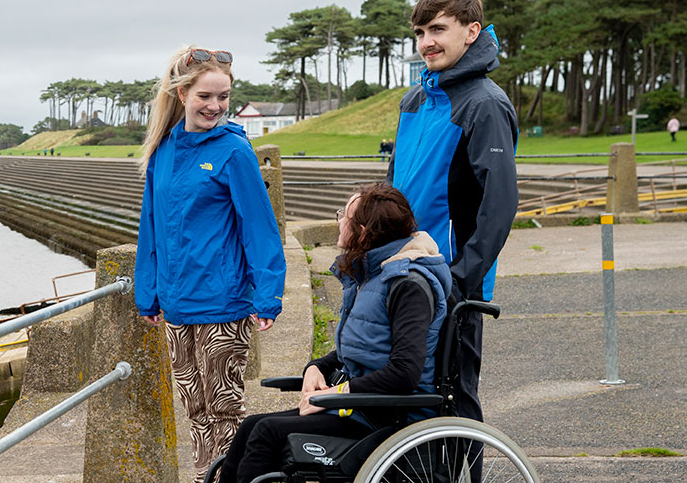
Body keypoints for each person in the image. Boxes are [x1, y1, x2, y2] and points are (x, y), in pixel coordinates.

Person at [217, 184, 451, 483]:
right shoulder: (374, 273)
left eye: (345, 217)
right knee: (252, 425)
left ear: (363, 233)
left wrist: (334, 394)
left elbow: (405, 373)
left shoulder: (407, 285)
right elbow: (361, 347)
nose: (339, 221)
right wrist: (317, 366)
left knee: (266, 433)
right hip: (359, 407)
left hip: (387, 416)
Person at [135, 45, 287, 483]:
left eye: (223, 97)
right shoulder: (162, 151)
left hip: (223, 304)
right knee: (195, 411)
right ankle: (211, 477)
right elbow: (152, 228)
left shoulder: (233, 151)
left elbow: (259, 227)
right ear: (181, 94)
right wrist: (148, 293)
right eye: (205, 96)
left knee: (226, 410)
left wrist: (267, 295)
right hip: (176, 307)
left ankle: (229, 478)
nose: (215, 106)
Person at [385, 0, 518, 479]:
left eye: (437, 29)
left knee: (452, 398)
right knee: (404, 394)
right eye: (420, 32)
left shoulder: (485, 104)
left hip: (452, 282)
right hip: (400, 273)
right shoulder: (416, 98)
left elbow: (499, 205)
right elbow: (396, 188)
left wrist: (463, 275)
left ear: (471, 31)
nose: (426, 42)